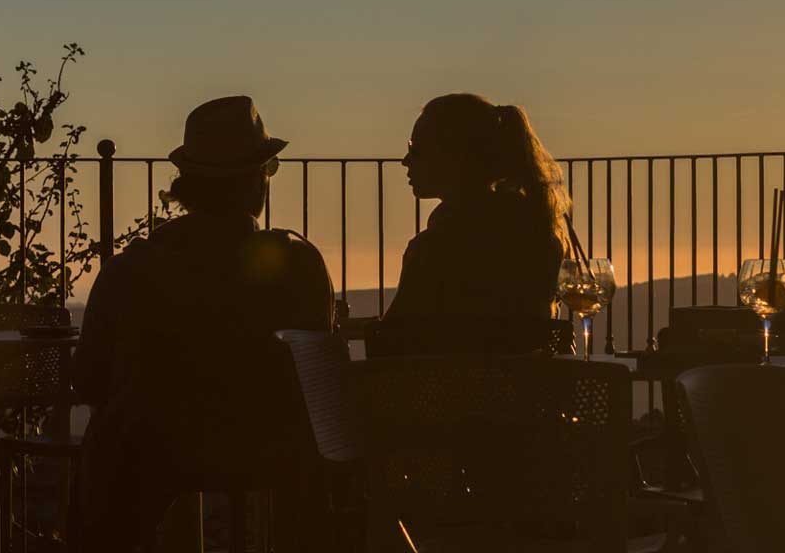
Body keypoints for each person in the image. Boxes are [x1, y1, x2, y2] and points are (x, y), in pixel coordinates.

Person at [74, 96, 334, 551]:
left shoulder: (131, 269)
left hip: (154, 450)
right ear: (257, 182)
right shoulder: (300, 264)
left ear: (187, 184)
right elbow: (319, 376)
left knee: (108, 443)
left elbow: (90, 380)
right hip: (272, 449)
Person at [377, 93, 570, 355]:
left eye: (416, 149)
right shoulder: (539, 240)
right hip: (521, 394)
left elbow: (389, 344)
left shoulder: (433, 250)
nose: (406, 160)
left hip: (447, 394)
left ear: (454, 156)